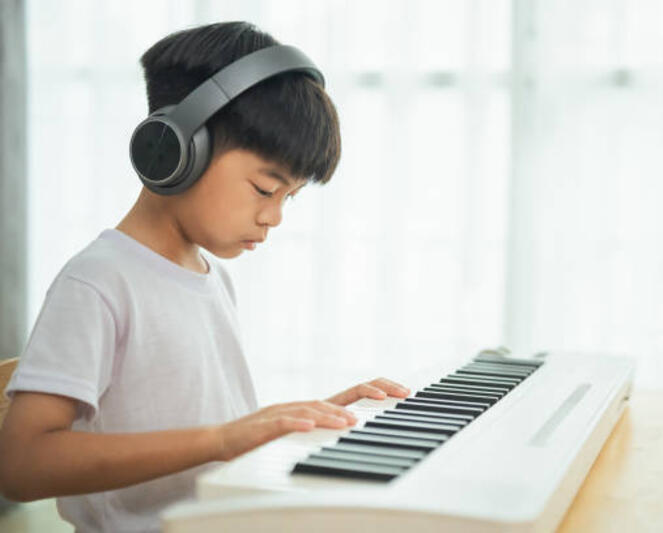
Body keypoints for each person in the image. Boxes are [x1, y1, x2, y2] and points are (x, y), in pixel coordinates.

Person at [0, 21, 410, 533]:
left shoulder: (210, 276)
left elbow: (214, 445)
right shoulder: (99, 283)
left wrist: (305, 422)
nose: (275, 217)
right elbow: (20, 465)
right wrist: (224, 438)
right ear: (176, 150)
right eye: (265, 189)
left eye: (290, 198)